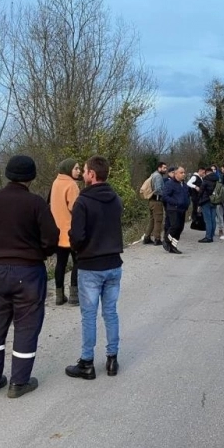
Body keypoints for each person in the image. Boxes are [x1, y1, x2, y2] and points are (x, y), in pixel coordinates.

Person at [0, 155, 60, 398]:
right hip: (29, 271)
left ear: (8, 174)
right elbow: (52, 237)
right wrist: (39, 253)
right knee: (27, 326)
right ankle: (19, 383)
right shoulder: (36, 203)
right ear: (31, 176)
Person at [65, 156, 125, 380]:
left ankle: (87, 362)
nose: (83, 173)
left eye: (86, 170)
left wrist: (75, 245)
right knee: (110, 312)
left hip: (91, 265)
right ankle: (112, 359)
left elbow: (77, 236)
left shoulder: (83, 201)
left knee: (88, 315)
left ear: (92, 175)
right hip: (113, 263)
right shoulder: (115, 199)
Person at [50, 158, 82, 305]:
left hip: (57, 232)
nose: (79, 171)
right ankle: (74, 295)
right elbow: (75, 210)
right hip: (71, 232)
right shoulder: (71, 185)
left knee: (60, 264)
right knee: (78, 262)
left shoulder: (56, 183)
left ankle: (59, 295)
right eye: (76, 168)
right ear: (69, 169)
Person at [162, 166, 190, 254]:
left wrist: (187, 203)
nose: (183, 174)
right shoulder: (170, 184)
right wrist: (175, 202)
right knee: (175, 226)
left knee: (180, 228)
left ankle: (173, 246)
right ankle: (166, 239)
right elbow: (165, 196)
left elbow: (187, 196)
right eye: (181, 173)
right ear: (176, 174)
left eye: (184, 172)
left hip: (182, 209)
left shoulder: (184, 185)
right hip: (173, 209)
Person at [143, 162, 168, 246]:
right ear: (159, 168)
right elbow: (158, 189)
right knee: (158, 220)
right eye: (164, 168)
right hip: (157, 202)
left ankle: (147, 237)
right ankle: (157, 239)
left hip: (151, 201)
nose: (165, 169)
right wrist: (165, 195)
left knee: (152, 220)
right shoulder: (158, 176)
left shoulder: (153, 175)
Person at [198, 166, 219, 243]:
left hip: (206, 201)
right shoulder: (217, 179)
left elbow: (201, 191)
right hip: (214, 200)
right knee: (213, 219)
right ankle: (212, 234)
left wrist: (198, 201)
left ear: (206, 173)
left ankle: (208, 237)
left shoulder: (206, 180)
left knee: (208, 220)